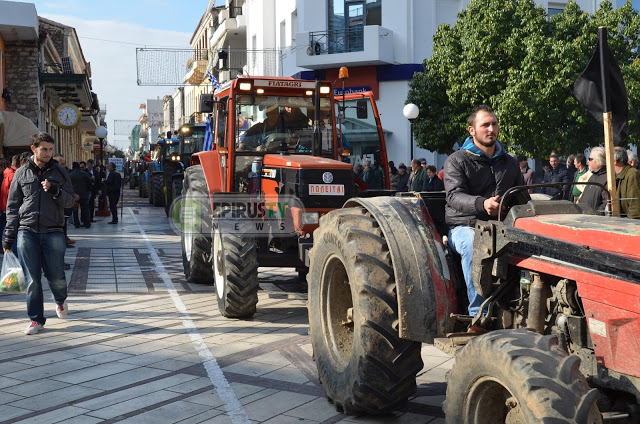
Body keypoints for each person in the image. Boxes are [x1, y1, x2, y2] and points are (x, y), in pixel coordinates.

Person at [444, 105, 525, 319]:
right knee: (474, 244)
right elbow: (454, 196)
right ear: (472, 130)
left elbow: (522, 197)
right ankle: (478, 314)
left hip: (502, 226)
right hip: (465, 226)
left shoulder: (509, 162)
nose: (491, 129)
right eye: (485, 125)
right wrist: (482, 204)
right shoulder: (457, 160)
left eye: (494, 124)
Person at [3, 133, 75, 335]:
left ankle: (60, 301)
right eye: (44, 149)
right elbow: (12, 206)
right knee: (32, 278)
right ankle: (36, 319)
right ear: (33, 148)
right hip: (27, 231)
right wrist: (9, 237)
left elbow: (71, 200)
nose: (48, 153)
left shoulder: (60, 172)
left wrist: (56, 192)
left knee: (56, 276)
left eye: (50, 149)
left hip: (53, 231)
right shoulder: (21, 173)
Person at [578, 147, 608, 214]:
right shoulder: (592, 176)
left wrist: (595, 214)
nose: (588, 161)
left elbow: (605, 204)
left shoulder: (607, 178)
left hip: (594, 220)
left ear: (598, 160)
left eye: (590, 159)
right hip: (584, 216)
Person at [613, 147, 640, 219]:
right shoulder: (615, 175)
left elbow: (635, 204)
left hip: (629, 225)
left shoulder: (632, 174)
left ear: (615, 161)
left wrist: (632, 225)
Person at [0, 155, 19, 252]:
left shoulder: (7, 174)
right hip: (10, 207)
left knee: (5, 227)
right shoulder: (13, 175)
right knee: (12, 230)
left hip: (4, 206)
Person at [70, 162, 92, 228]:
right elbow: (89, 183)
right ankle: (86, 223)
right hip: (83, 195)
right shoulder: (84, 174)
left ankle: (77, 223)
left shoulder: (70, 175)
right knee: (85, 209)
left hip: (75, 195)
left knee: (75, 210)